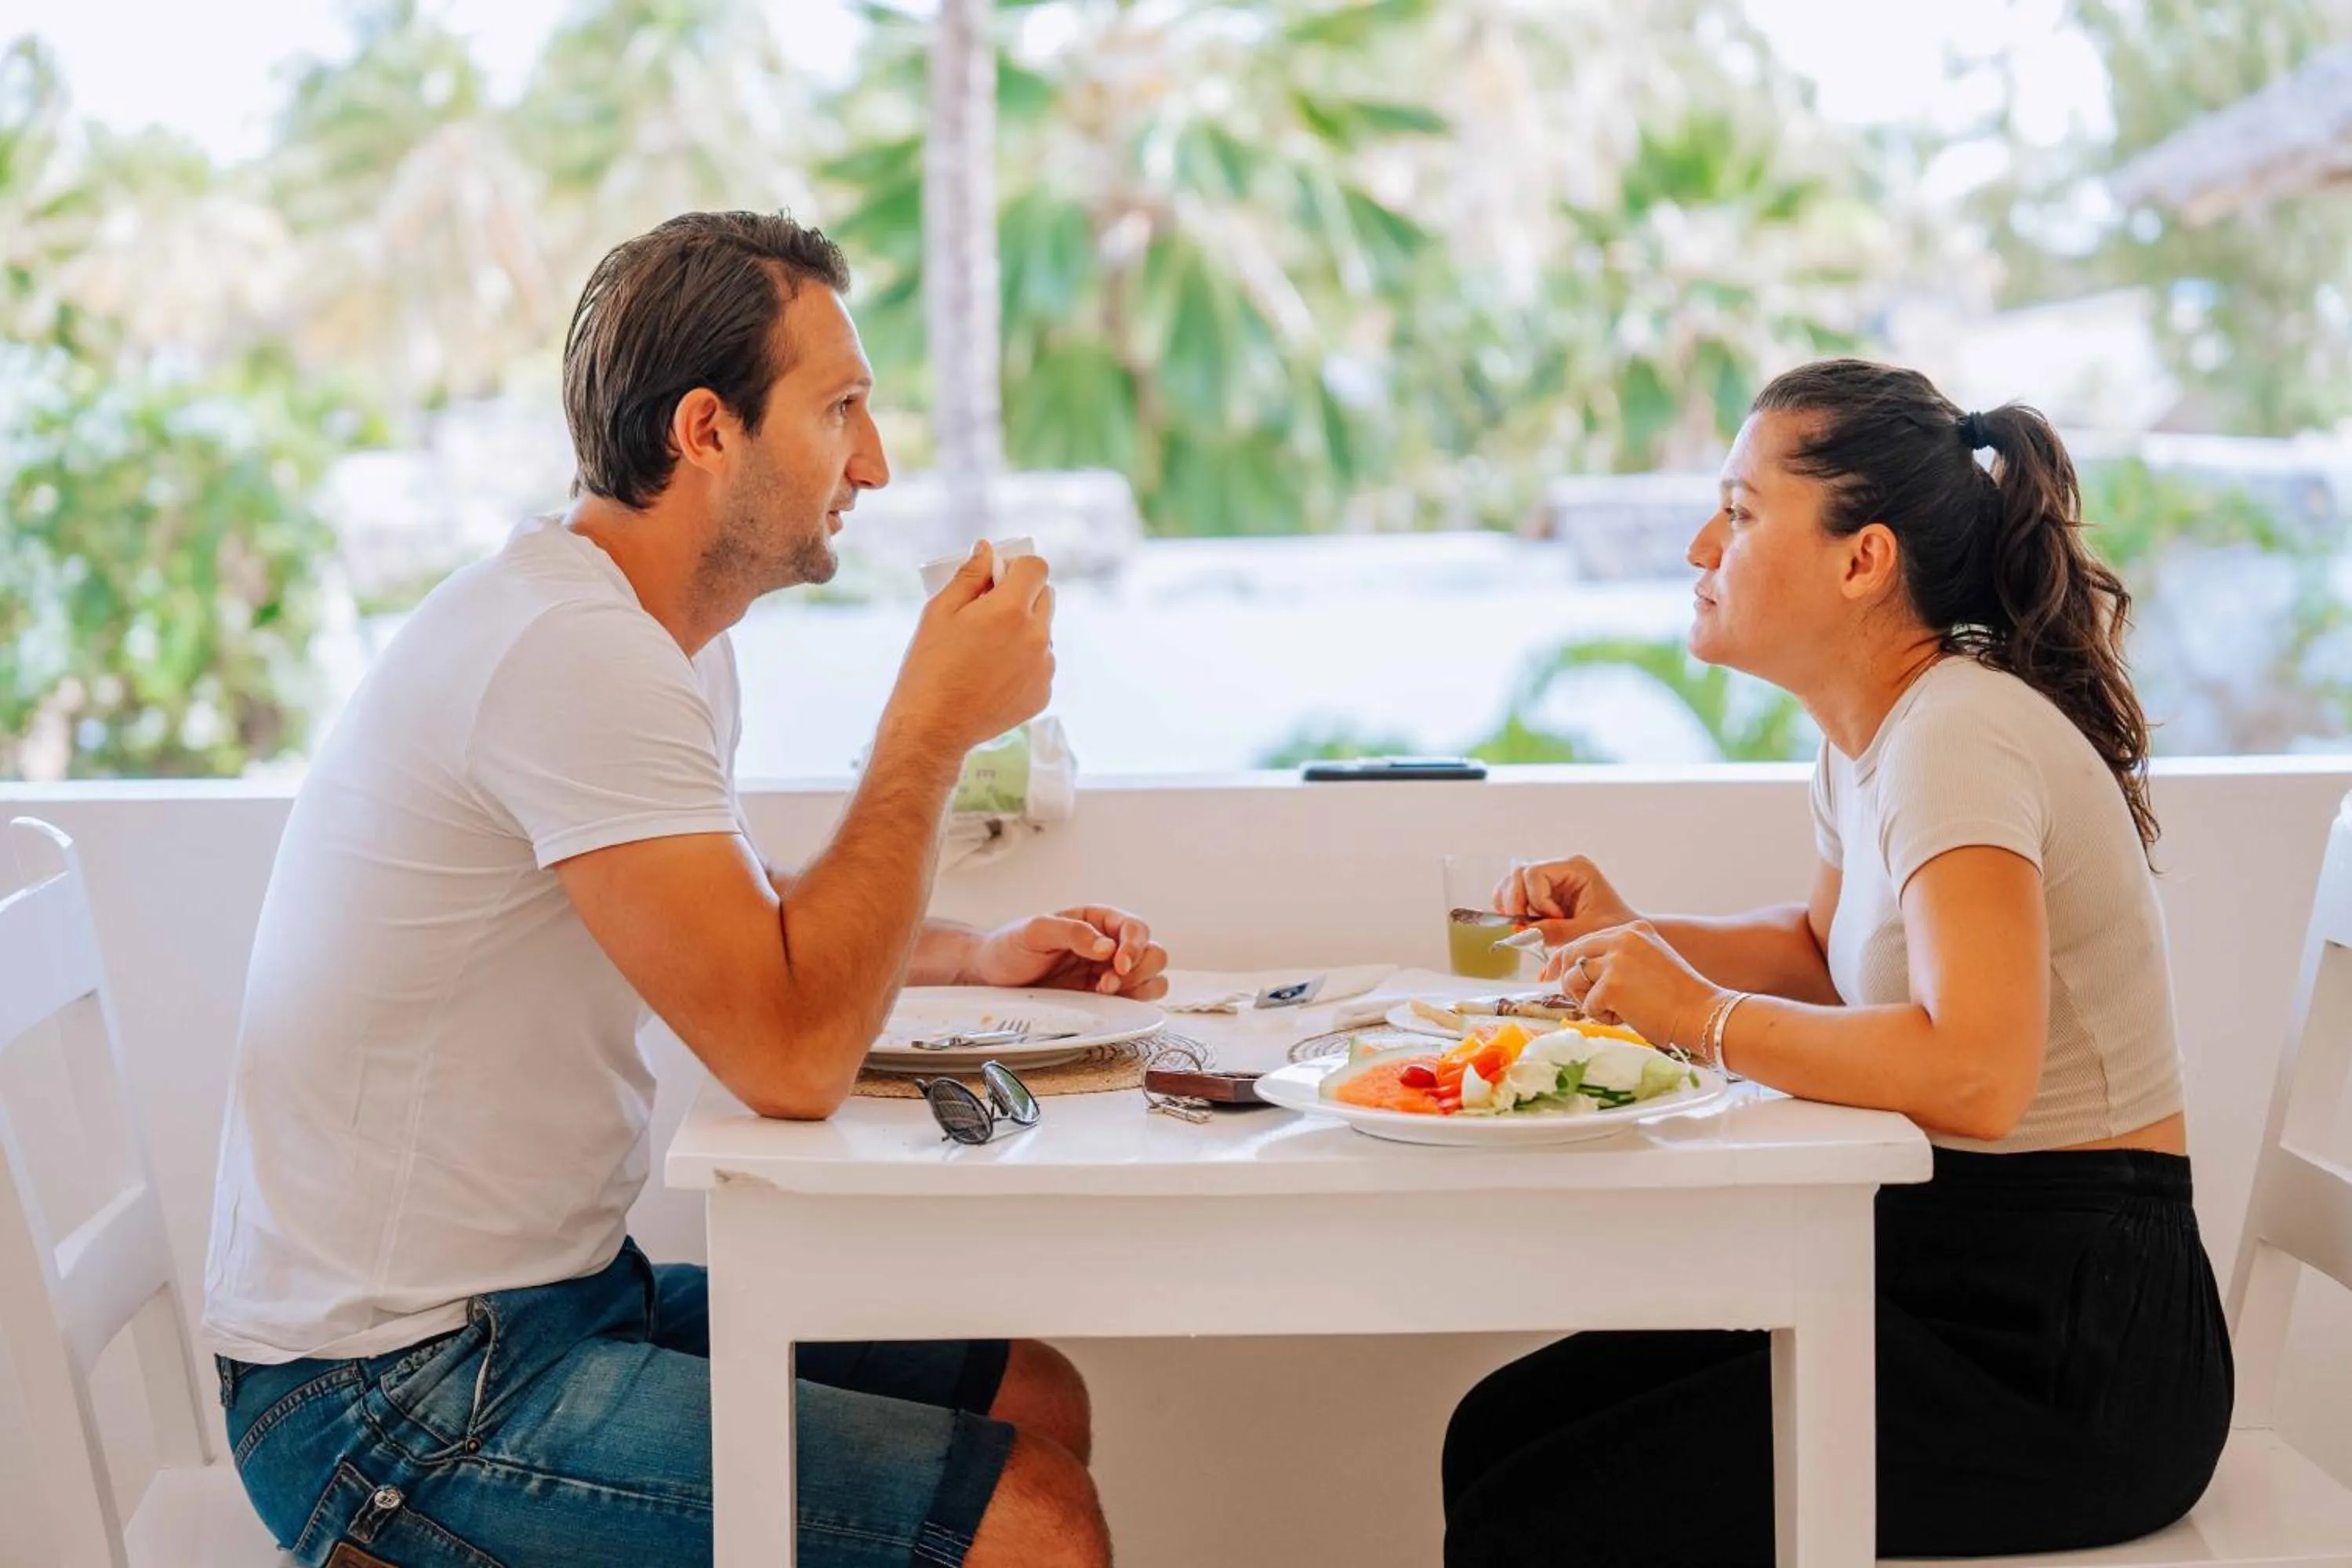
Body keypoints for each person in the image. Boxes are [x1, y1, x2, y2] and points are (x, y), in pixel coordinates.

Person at [202, 211, 1167, 1568]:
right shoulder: (573, 652)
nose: (874, 466)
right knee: (1034, 1529)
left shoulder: (651, 643)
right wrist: (931, 736)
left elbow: (725, 911)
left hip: (553, 1304)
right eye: (839, 410)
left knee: (1032, 1395)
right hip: (386, 1392)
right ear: (708, 431)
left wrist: (971, 955)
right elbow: (788, 1054)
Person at [1441, 359, 2231, 1564]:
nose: (1702, 544)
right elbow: (1822, 957)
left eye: (1743, 512)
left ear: (1864, 561)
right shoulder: (1871, 737)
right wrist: (1628, 942)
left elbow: (1977, 1074)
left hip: (2070, 1345)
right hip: (1954, 1270)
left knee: (1539, 1509)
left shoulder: (1956, 734)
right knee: (1499, 1436)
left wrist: (1695, 1014)